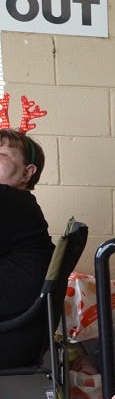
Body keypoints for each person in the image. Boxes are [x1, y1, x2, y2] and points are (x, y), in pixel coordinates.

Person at [0, 124, 54, 369]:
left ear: (27, 172)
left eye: (2, 154)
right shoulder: (21, 204)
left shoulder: (8, 201)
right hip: (21, 332)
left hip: (11, 336)